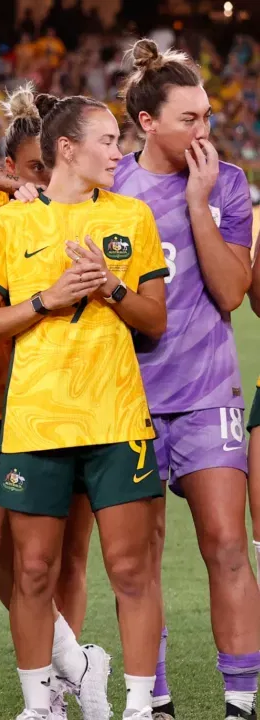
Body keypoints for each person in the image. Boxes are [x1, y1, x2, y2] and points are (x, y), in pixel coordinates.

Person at [0, 95, 169, 720]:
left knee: (130, 568)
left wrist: (110, 285)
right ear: (67, 149)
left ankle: (137, 707)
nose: (119, 151)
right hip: (35, 423)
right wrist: (47, 300)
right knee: (30, 570)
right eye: (108, 140)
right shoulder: (9, 224)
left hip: (114, 417)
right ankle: (39, 705)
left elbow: (154, 322)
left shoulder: (132, 217)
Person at [0, 86, 109, 720]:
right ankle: (76, 658)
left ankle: (55, 692)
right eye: (33, 168)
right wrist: (8, 186)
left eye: (49, 165)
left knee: (66, 558)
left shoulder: (93, 210)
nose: (47, 178)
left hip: (71, 400)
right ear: (12, 169)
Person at [115, 39, 260, 720]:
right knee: (137, 560)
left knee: (228, 545)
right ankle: (158, 699)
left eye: (207, 117)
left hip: (207, 394)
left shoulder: (227, 182)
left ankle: (239, 701)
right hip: (129, 400)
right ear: (147, 122)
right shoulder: (110, 186)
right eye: (189, 119)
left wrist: (200, 204)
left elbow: (231, 292)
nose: (205, 131)